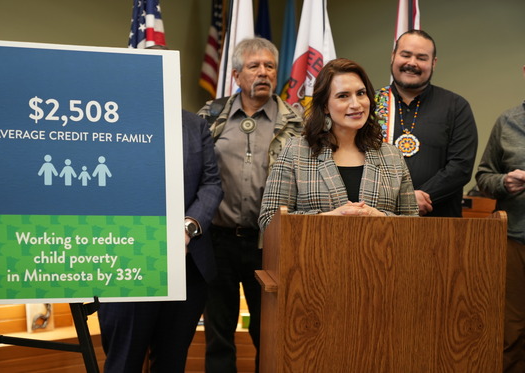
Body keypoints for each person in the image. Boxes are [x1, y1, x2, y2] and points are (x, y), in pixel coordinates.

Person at [197, 37, 303, 373]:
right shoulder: (211, 116)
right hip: (218, 239)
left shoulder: (297, 121)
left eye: (269, 66)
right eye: (254, 66)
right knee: (219, 331)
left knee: (269, 330)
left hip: (270, 241)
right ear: (237, 75)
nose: (263, 73)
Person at [98, 110, 223, 373]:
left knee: (171, 363)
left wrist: (188, 228)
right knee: (123, 364)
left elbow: (211, 184)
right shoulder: (108, 120)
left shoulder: (194, 124)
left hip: (186, 265)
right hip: (126, 264)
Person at [259, 58, 418, 230]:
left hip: (380, 255)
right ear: (325, 106)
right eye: (343, 96)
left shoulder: (392, 156)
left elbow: (413, 224)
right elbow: (269, 220)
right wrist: (328, 218)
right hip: (315, 255)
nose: (356, 104)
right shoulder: (296, 151)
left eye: (361, 93)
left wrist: (378, 217)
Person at [375, 29, 478, 217]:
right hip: (380, 219)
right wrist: (402, 200)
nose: (411, 63)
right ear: (393, 56)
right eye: (405, 55)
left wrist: (420, 197)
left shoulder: (456, 106)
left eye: (421, 58)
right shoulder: (370, 104)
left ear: (433, 63)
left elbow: (460, 167)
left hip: (439, 221)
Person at [475, 65, 525, 373]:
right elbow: (483, 176)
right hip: (516, 241)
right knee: (511, 332)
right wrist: (503, 182)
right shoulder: (508, 122)